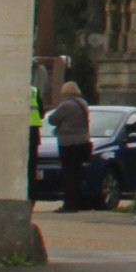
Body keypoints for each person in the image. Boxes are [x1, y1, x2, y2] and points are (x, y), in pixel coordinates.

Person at [46, 73, 98, 212]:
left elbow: (53, 119)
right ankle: (78, 202)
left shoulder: (66, 105)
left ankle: (69, 204)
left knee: (69, 175)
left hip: (69, 143)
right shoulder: (83, 103)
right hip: (83, 142)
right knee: (78, 174)